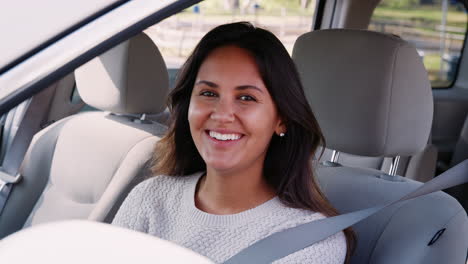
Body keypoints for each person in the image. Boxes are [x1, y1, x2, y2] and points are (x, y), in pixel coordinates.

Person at [112, 22, 354, 263]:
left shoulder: (310, 240)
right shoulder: (149, 198)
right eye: (208, 93)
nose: (221, 114)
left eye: (246, 97)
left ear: (282, 119)